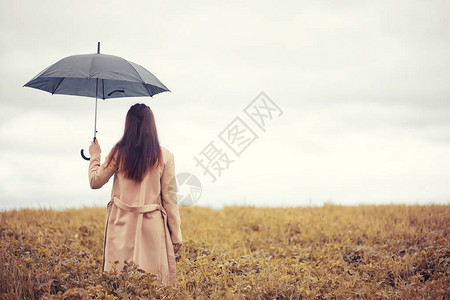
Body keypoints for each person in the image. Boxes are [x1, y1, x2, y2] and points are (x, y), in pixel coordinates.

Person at [88, 103, 182, 287]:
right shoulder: (165, 155)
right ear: (152, 125)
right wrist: (176, 235)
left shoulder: (118, 152)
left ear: (128, 124)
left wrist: (95, 155)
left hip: (121, 225)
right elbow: (170, 200)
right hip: (152, 227)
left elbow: (95, 181)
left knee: (118, 284)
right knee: (153, 286)